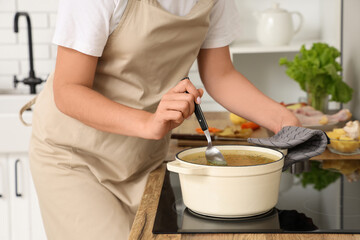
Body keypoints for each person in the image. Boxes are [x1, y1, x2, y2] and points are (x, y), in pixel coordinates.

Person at [28, 0, 300, 240]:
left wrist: (283, 119)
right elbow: (68, 90)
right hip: (75, 158)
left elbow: (220, 75)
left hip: (142, 160)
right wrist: (148, 123)